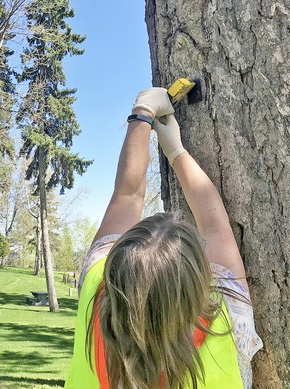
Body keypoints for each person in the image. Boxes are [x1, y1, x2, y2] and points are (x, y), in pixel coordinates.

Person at [65, 88, 262, 389]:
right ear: (197, 282)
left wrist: (142, 112)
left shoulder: (95, 292)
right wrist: (175, 149)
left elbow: (127, 196)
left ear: (114, 272)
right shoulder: (230, 322)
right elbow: (216, 226)